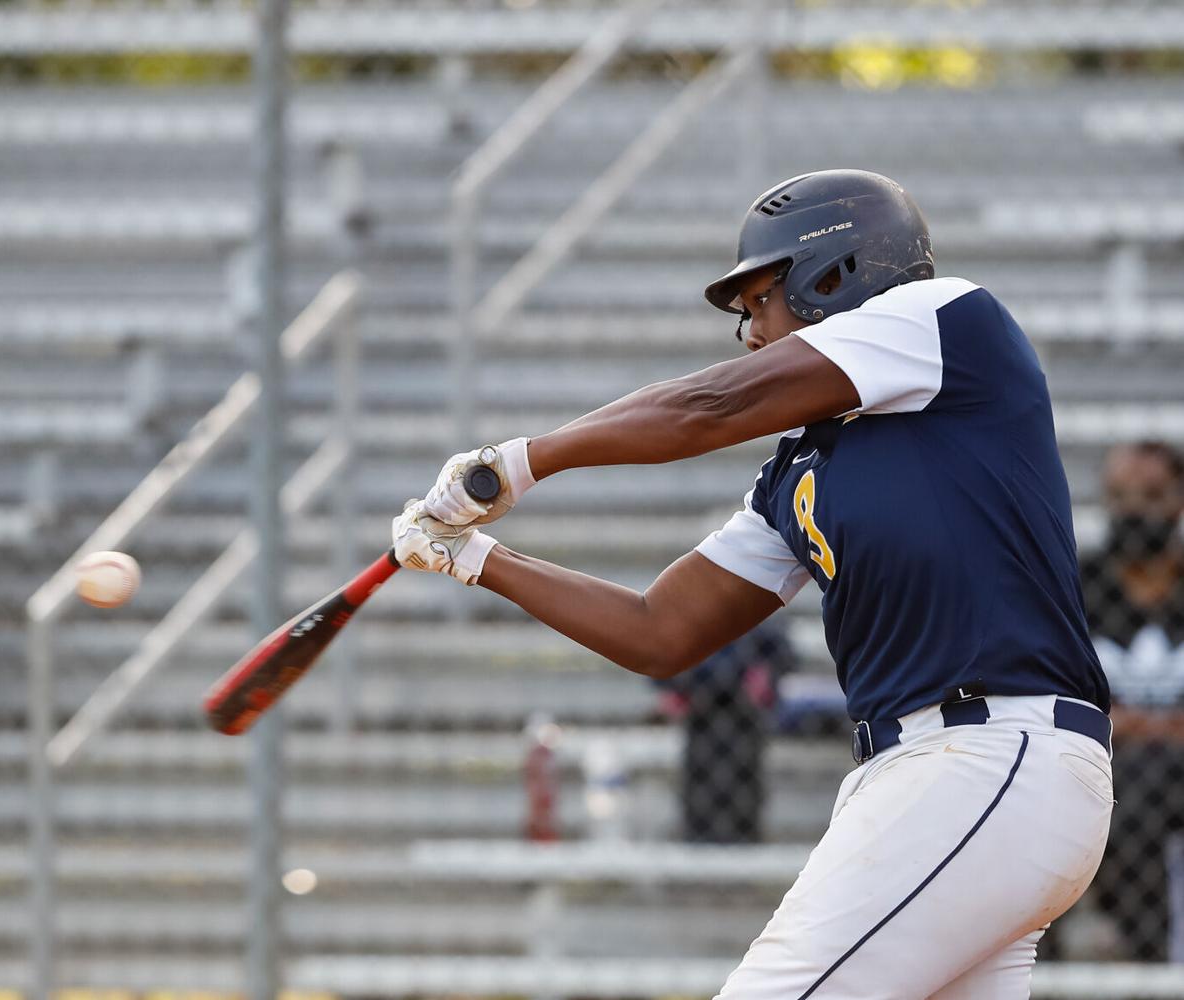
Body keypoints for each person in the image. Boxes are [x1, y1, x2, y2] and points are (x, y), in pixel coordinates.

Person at [391, 169, 1114, 998]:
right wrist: (475, 558)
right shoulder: (800, 469)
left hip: (985, 760)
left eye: (759, 300)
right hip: (947, 778)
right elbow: (660, 630)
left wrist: (520, 462)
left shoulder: (943, 318)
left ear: (832, 275)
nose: (749, 333)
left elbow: (706, 406)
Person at [1081, 440, 1184, 960]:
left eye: (1151, 496)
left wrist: (1131, 722)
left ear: (1179, 501)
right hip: (1103, 765)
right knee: (1135, 783)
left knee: (1149, 774)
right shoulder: (1079, 585)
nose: (1134, 511)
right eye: (1120, 497)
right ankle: (1146, 954)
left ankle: (1146, 954)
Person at [656, 626, 793, 843]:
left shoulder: (759, 621)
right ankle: (700, 841)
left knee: (743, 789)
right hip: (699, 710)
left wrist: (765, 674)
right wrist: (673, 684)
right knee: (701, 788)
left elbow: (781, 651)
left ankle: (743, 840)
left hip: (744, 714)